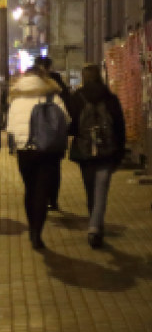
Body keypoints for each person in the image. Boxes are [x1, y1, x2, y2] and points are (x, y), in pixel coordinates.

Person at [6, 68, 70, 250]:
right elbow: (65, 120)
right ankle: (37, 233)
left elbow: (10, 127)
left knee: (30, 189)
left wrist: (19, 142)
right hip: (48, 150)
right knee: (42, 191)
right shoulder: (53, 97)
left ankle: (32, 226)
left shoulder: (16, 99)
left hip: (25, 150)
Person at [67, 63, 126, 248]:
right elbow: (119, 126)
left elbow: (72, 126)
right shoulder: (110, 98)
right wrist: (120, 150)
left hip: (85, 150)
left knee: (90, 188)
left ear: (84, 78)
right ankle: (95, 227)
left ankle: (94, 223)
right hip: (107, 150)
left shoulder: (77, 97)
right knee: (101, 190)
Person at [34, 56, 71, 211]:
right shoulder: (58, 84)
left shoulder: (33, 83)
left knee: (45, 167)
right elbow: (68, 107)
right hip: (55, 134)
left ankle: (48, 198)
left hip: (40, 134)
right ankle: (51, 199)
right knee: (53, 167)